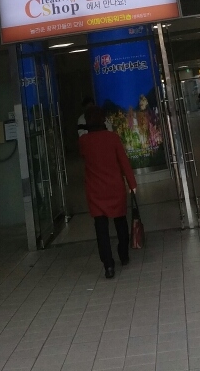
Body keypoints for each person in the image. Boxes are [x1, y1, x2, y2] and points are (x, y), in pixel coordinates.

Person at [79, 105, 137, 279]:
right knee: (121, 222)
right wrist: (132, 183)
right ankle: (123, 254)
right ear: (104, 119)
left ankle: (108, 265)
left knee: (101, 229)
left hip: (95, 190)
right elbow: (124, 162)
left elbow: (84, 157)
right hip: (115, 187)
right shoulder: (113, 138)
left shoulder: (83, 142)